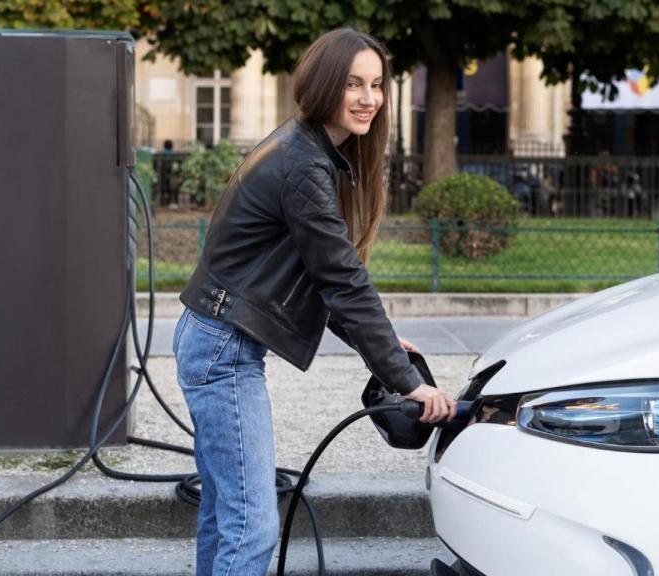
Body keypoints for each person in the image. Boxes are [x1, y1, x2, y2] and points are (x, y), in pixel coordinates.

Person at [171, 27, 457, 576]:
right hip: (223, 350)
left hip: (212, 336)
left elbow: (319, 274)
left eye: (376, 85)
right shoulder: (305, 164)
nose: (369, 98)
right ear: (325, 84)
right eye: (353, 84)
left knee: (225, 514)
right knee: (252, 526)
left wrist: (382, 346)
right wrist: (407, 381)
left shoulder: (306, 149)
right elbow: (341, 279)